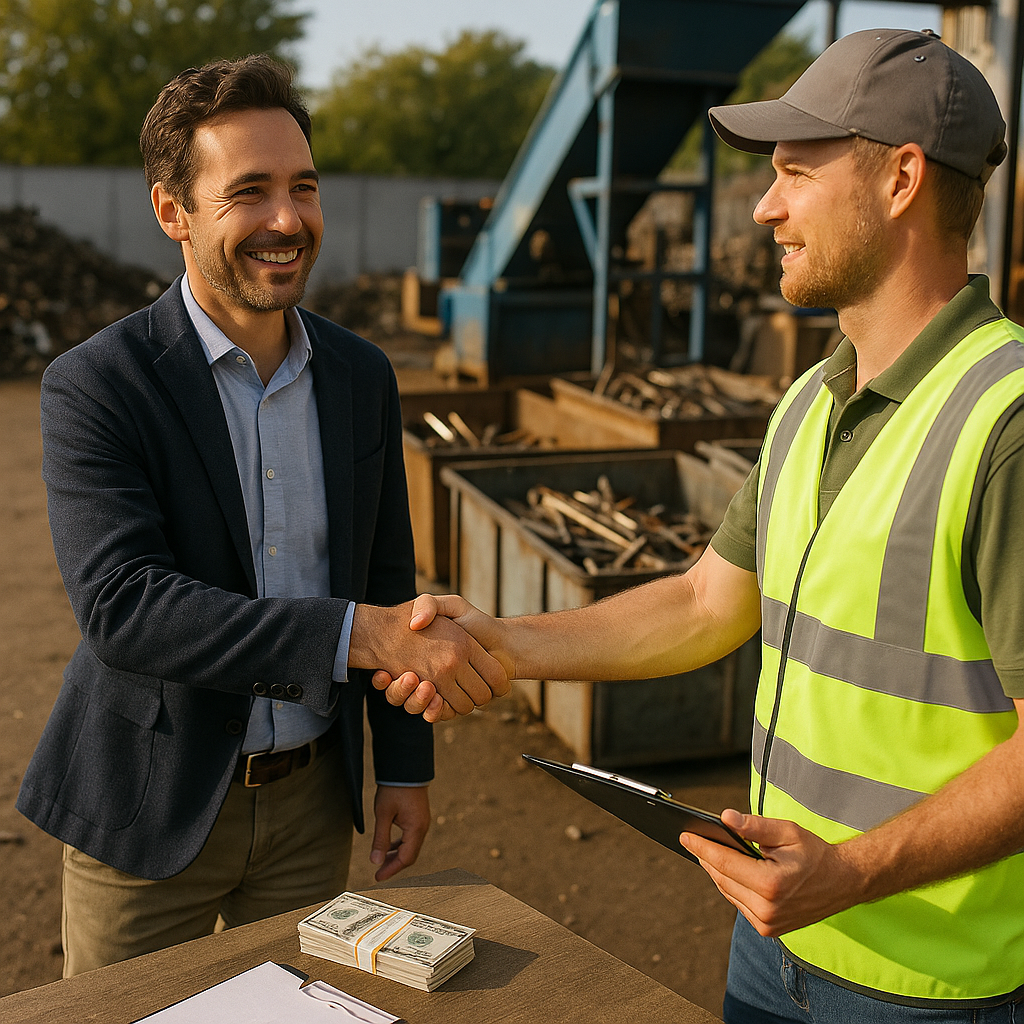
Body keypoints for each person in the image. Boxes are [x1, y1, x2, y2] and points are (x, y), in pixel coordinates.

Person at [374, 29, 1024, 1020]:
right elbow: (699, 604)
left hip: (926, 987)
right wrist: (497, 645)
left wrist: (852, 871)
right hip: (774, 943)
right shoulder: (809, 399)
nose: (765, 207)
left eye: (794, 174)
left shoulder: (1005, 421)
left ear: (900, 178)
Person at [16, 54, 508, 977]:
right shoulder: (96, 384)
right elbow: (126, 608)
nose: (288, 220)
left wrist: (403, 767)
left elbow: (386, 576)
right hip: (148, 812)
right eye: (249, 192)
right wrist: (359, 638)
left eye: (304, 187)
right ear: (175, 212)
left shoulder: (361, 376)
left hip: (311, 812)